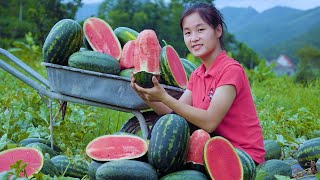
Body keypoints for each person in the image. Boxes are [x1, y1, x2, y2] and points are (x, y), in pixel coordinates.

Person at [131, 2, 265, 165]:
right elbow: (173, 116)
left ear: (218, 30)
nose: (193, 38)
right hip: (212, 148)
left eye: (200, 30)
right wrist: (147, 95)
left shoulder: (231, 70)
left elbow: (210, 122)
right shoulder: (197, 74)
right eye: (187, 33)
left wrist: (165, 97)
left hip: (242, 157)